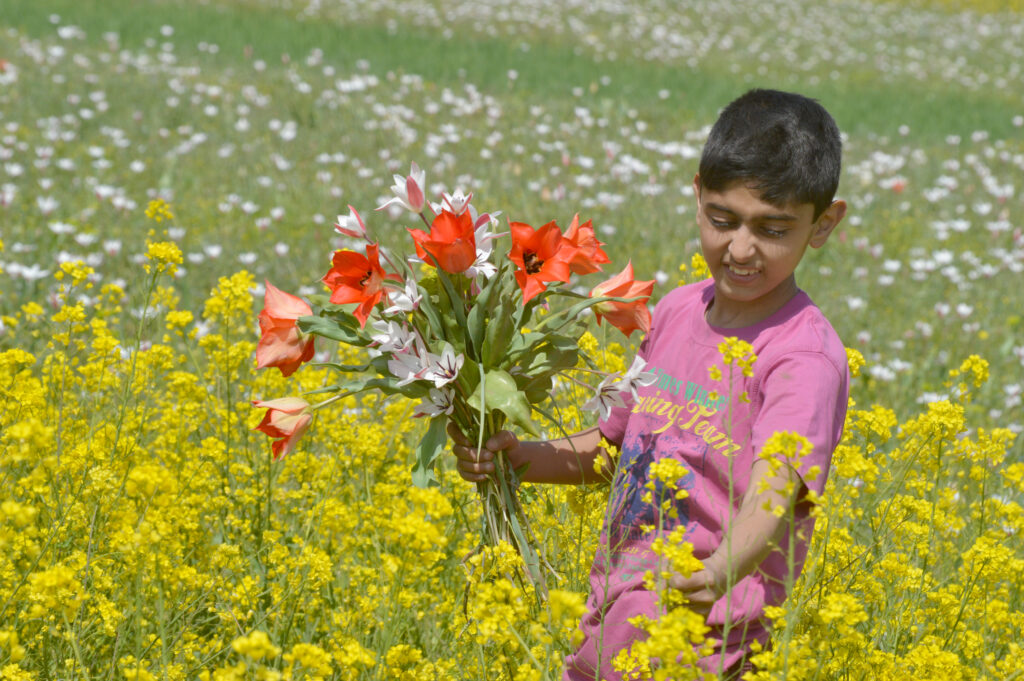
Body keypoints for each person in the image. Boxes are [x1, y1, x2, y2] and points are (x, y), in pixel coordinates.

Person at [450, 88, 850, 680]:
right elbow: (616, 448)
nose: (741, 249)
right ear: (696, 197)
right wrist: (518, 459)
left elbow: (775, 490)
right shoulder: (677, 312)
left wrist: (718, 572)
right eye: (723, 220)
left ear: (823, 224)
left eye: (773, 229)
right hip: (610, 617)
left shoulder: (801, 356)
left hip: (702, 636)